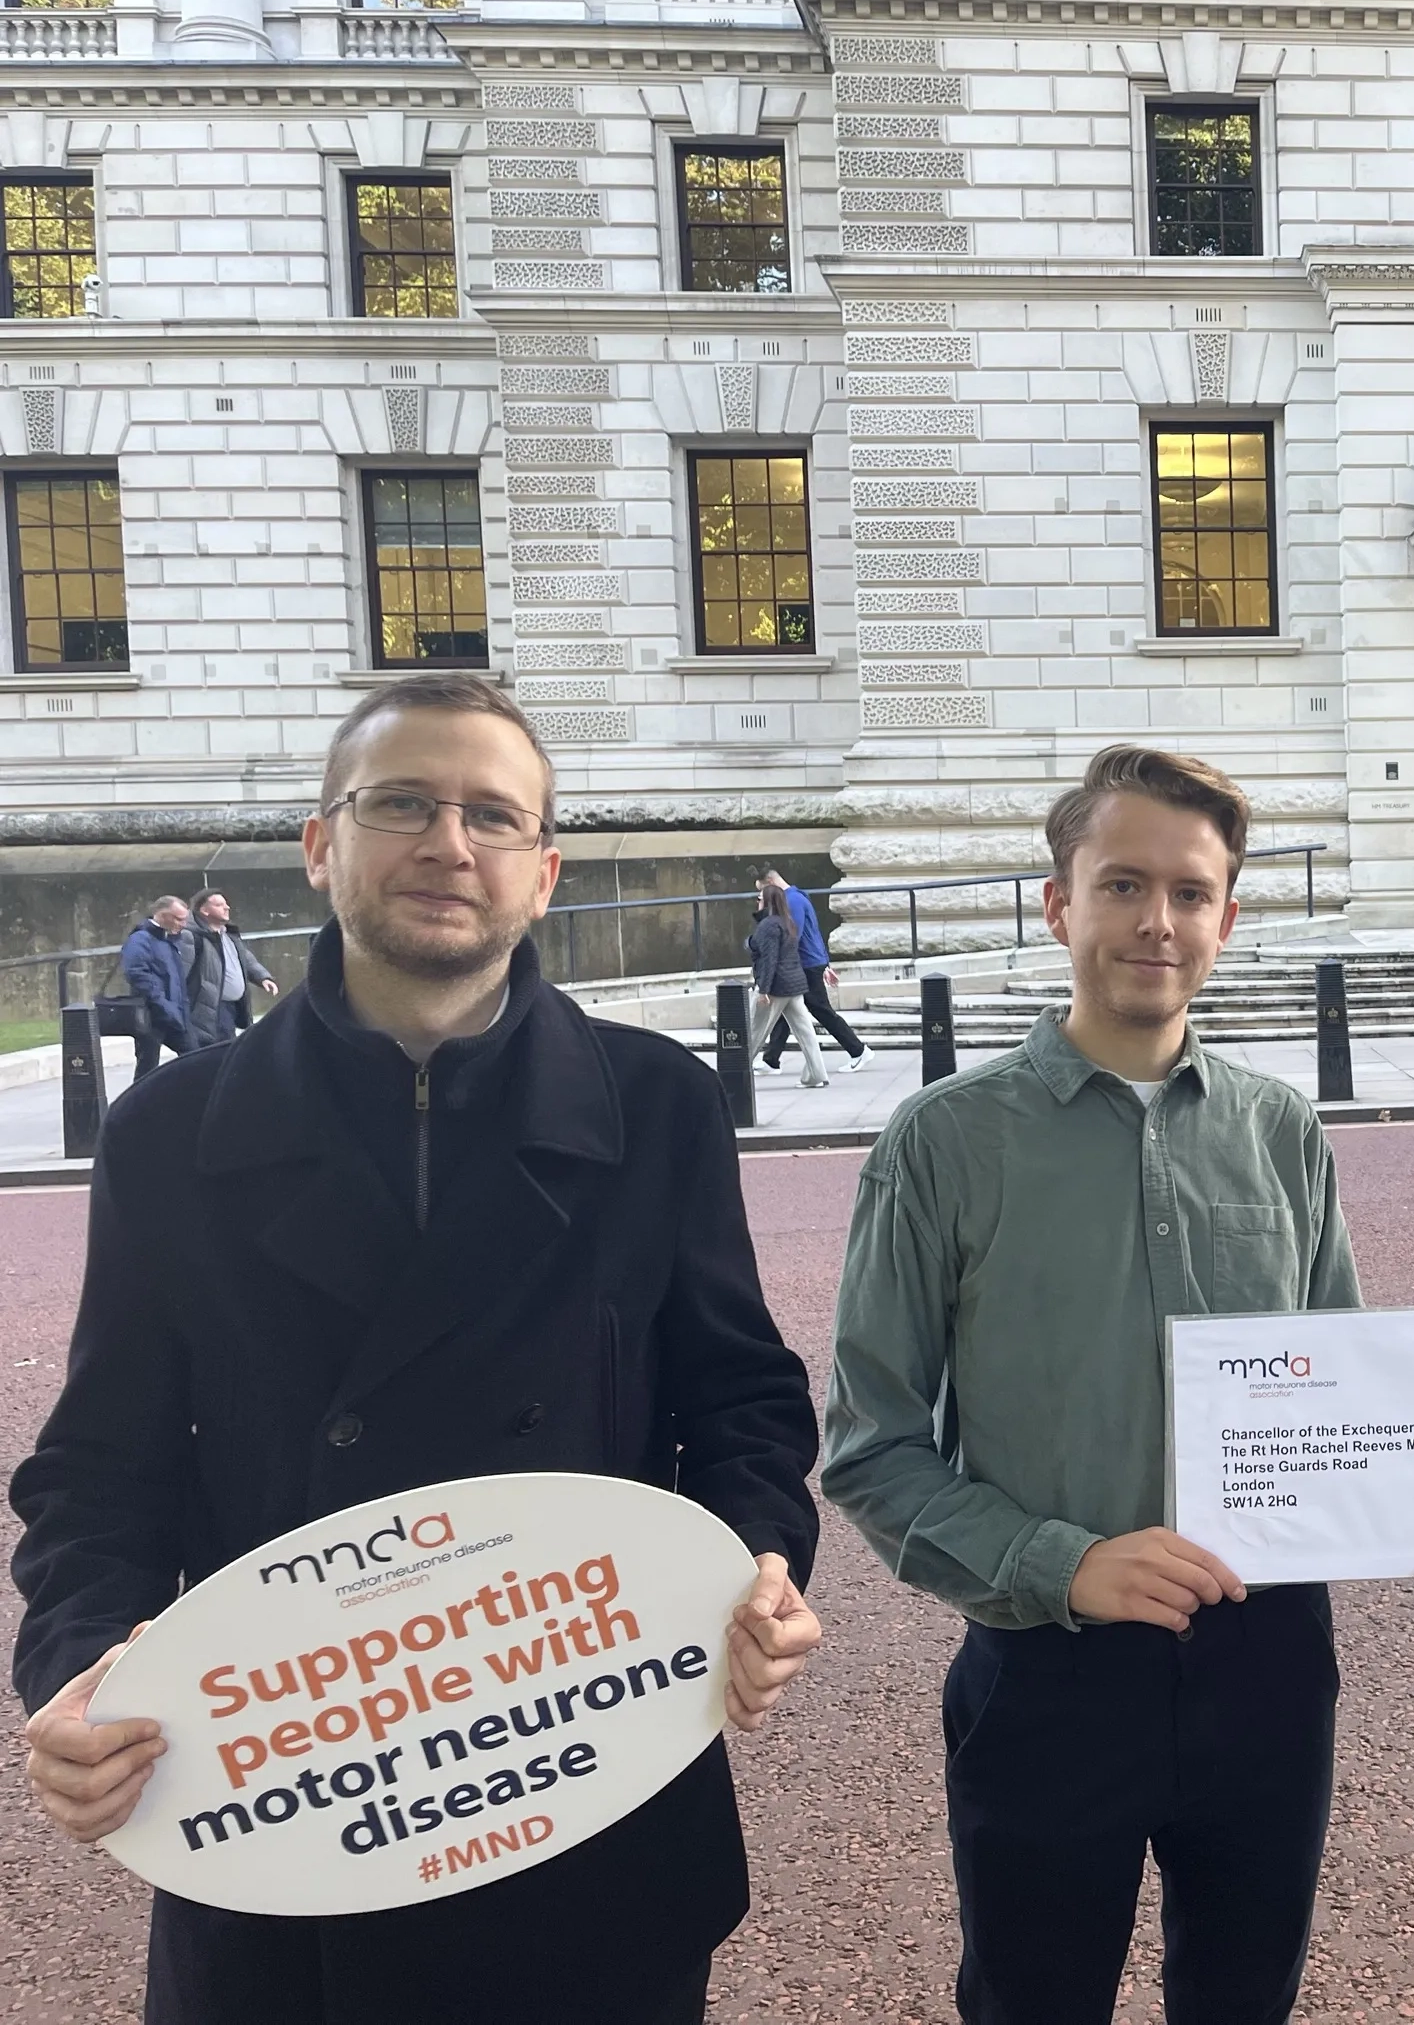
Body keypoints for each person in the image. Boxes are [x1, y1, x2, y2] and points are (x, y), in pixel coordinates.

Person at [11, 675, 826, 2025]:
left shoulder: (659, 1106)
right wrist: (81, 1663)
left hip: (591, 1816)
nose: (450, 843)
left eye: (493, 815)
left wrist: (756, 1560)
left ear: (545, 870)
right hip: (291, 1830)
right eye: (404, 803)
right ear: (321, 842)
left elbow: (743, 1405)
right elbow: (98, 1473)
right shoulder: (171, 1133)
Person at [823, 743, 1414, 2025]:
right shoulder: (947, 1142)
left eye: (1190, 893)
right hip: (1047, 1663)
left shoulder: (1279, 1127)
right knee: (1032, 2002)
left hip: (1267, 1663)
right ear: (1057, 903)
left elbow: (1348, 1391)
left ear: (1228, 918)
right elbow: (870, 1448)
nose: (1158, 921)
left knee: (1245, 1999)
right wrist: (1056, 1561)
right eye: (1123, 884)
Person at [759, 868, 869, 1075]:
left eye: (763, 890)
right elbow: (813, 933)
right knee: (786, 1011)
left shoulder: (792, 901)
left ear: (770, 881)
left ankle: (858, 1050)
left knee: (820, 1010)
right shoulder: (797, 897)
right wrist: (825, 962)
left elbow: (793, 936)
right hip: (808, 962)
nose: (763, 897)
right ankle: (771, 1060)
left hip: (806, 964)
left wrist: (781, 965)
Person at [747, 873, 829, 1088]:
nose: (757, 901)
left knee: (755, 1031)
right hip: (794, 984)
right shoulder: (788, 923)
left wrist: (763, 989)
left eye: (759, 898)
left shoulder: (768, 927)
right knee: (805, 1031)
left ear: (768, 901)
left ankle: (735, 1070)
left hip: (776, 987)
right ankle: (816, 1074)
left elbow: (769, 960)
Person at [185, 889, 276, 1047]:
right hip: (212, 1008)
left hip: (232, 1007)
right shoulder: (193, 936)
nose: (227, 908)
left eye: (226, 904)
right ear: (204, 910)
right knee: (219, 1052)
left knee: (227, 1050)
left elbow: (245, 958)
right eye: (219, 905)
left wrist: (262, 977)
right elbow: (182, 972)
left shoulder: (228, 934)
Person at [117, 895, 192, 1081]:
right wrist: (162, 1002)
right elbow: (136, 973)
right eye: (178, 919)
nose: (183, 924)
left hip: (173, 1011)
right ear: (162, 915)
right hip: (152, 1013)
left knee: (195, 1056)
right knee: (147, 1067)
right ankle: (139, 1107)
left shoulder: (169, 939)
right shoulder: (141, 939)